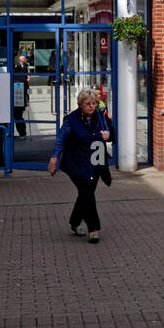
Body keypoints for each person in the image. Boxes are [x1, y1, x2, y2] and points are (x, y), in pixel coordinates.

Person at [48, 88, 111, 244]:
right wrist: (54, 158)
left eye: (94, 103)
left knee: (86, 194)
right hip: (76, 163)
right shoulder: (71, 120)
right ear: (80, 104)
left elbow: (110, 131)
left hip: (96, 161)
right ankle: (93, 229)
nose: (91, 106)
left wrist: (108, 135)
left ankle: (75, 222)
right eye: (87, 103)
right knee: (87, 193)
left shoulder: (100, 116)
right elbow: (61, 139)